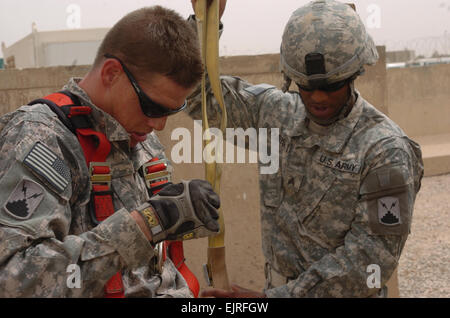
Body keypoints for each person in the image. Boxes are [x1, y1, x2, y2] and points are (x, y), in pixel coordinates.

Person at [188, 0, 424, 297]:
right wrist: (204, 26)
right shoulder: (276, 115)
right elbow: (199, 98)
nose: (318, 97)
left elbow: (370, 261)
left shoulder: (385, 149)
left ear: (354, 74)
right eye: (306, 85)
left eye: (332, 84)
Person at [0, 6, 221, 298]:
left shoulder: (139, 134)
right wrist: (147, 223)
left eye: (171, 110)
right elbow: (14, 281)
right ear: (111, 73)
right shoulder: (43, 139)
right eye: (153, 107)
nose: (159, 124)